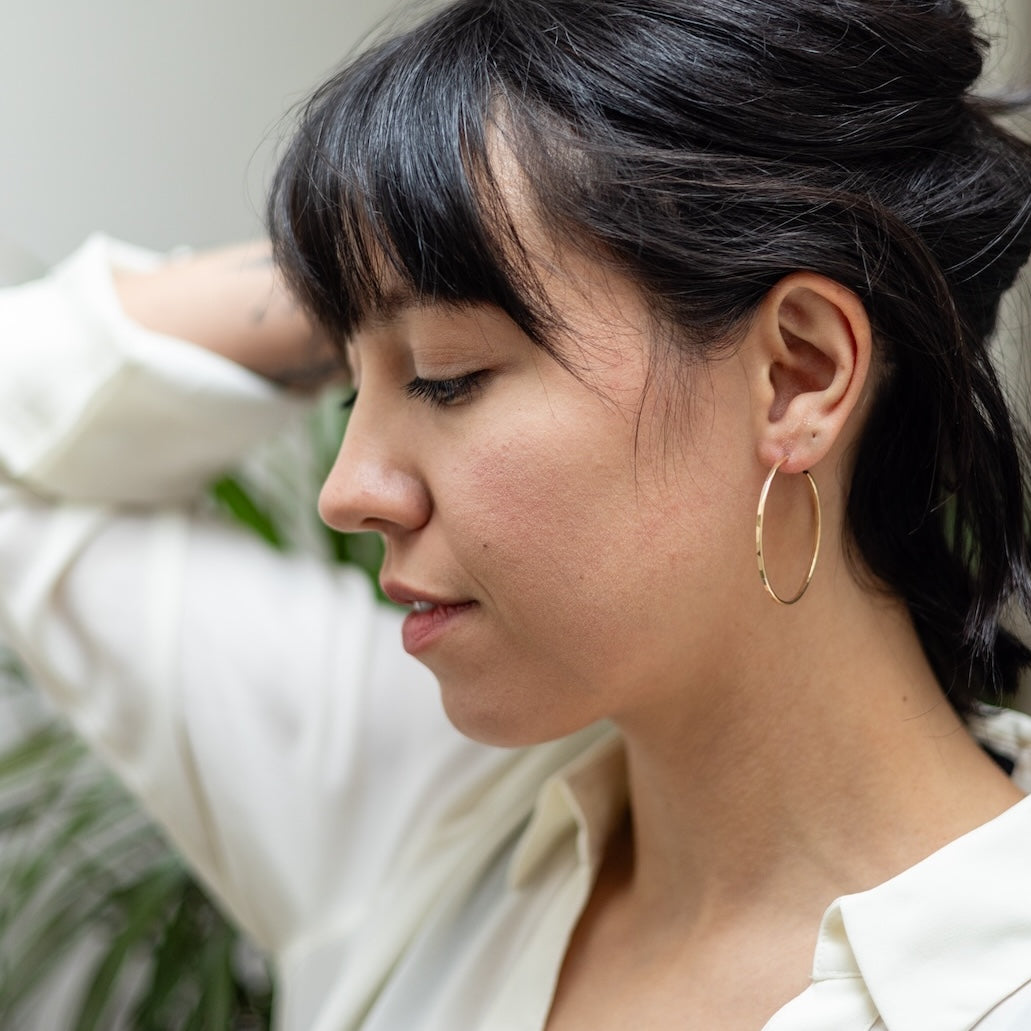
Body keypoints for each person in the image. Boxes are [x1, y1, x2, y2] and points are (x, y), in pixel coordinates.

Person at [2, 0, 1031, 1027]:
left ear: (797, 374)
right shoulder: (412, 821)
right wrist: (375, 269)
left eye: (447, 376)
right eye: (355, 383)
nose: (346, 489)